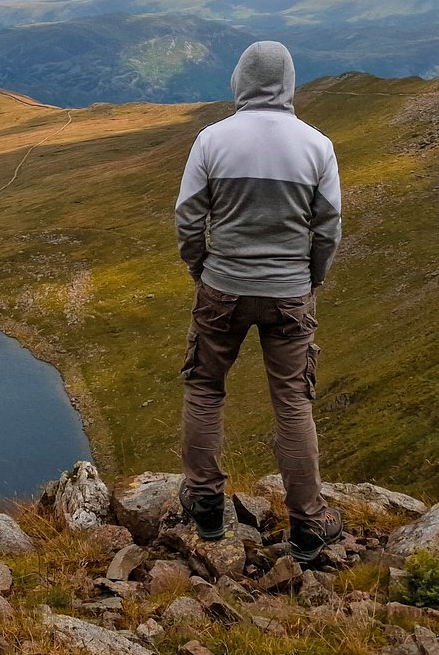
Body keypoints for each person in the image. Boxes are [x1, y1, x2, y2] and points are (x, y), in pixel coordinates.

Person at [174, 40, 344, 563]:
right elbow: (328, 228)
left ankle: (204, 505)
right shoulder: (317, 145)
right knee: (293, 401)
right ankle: (309, 524)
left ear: (241, 80)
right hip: (289, 294)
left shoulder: (212, 140)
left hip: (222, 288)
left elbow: (187, 217)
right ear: (289, 82)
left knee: (205, 388)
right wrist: (310, 279)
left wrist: (202, 267)